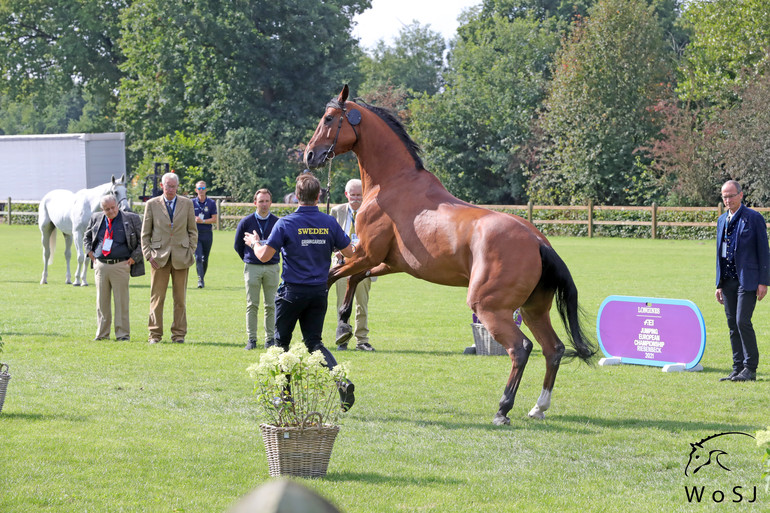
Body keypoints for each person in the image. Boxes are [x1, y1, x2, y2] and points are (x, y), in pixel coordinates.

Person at [244, 173, 356, 410]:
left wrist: (254, 243)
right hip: (318, 292)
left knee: (280, 344)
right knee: (314, 343)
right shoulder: (329, 222)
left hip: (292, 292)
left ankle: (284, 397)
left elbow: (264, 256)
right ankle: (341, 382)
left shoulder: (285, 223)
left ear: (296, 196)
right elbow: (351, 253)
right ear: (318, 196)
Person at [715, 180, 769, 382]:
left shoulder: (754, 218)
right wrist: (719, 284)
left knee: (742, 321)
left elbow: (764, 251)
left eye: (731, 195)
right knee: (731, 324)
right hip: (727, 280)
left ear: (741, 195)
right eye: (724, 196)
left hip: (748, 280)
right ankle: (737, 368)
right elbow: (719, 254)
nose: (728, 200)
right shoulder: (722, 220)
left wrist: (763, 282)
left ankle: (750, 368)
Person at [141, 172, 198, 344]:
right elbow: (145, 234)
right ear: (162, 186)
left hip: (182, 257)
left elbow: (193, 231)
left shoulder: (187, 204)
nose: (171, 189)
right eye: (168, 186)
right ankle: (154, 335)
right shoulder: (151, 204)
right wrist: (148, 254)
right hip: (158, 258)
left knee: (180, 299)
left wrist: (190, 251)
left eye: (173, 186)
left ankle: (179, 335)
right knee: (157, 299)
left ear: (177, 187)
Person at [84, 194, 143, 341]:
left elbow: (143, 240)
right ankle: (102, 334)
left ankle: (123, 335)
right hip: (101, 266)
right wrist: (90, 253)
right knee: (101, 303)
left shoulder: (131, 218)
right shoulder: (96, 218)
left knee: (121, 302)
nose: (111, 211)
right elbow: (87, 237)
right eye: (107, 209)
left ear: (117, 205)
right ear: (102, 209)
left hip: (121, 265)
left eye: (113, 207)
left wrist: (133, 258)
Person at [331, 179, 375, 351]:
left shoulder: (371, 212)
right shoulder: (336, 211)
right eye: (353, 195)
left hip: (363, 264)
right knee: (342, 303)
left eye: (359, 195)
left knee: (361, 304)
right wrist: (335, 250)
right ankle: (343, 338)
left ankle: (362, 340)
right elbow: (330, 235)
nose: (356, 198)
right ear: (346, 194)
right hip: (341, 264)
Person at [234, 188, 281, 350]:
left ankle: (270, 339)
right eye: (261, 201)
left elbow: (282, 246)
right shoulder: (246, 222)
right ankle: (252, 339)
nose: (264, 204)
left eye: (267, 201)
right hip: (252, 267)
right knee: (252, 305)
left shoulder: (277, 222)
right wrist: (249, 258)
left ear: (271, 202)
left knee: (271, 305)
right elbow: (238, 246)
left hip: (272, 267)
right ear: (255, 203)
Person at [193, 180, 218, 288]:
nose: (201, 190)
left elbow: (214, 219)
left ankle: (202, 276)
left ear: (206, 190)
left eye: (203, 188)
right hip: (195, 234)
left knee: (205, 258)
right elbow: (186, 217)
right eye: (199, 188)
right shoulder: (191, 203)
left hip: (207, 233)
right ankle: (200, 280)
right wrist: (193, 219)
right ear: (196, 190)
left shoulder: (211, 203)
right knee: (198, 257)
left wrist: (202, 221)